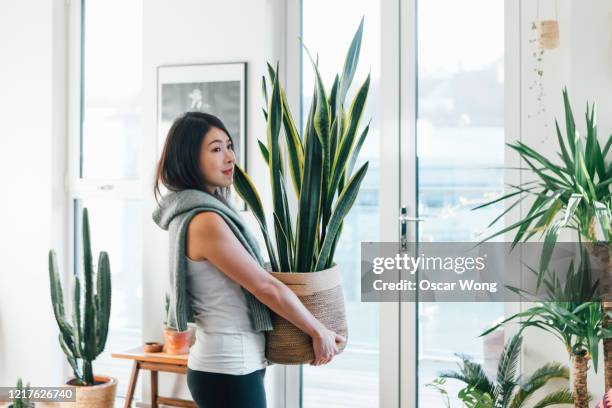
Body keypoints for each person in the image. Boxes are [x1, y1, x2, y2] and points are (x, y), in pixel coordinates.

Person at [153, 111, 345, 408]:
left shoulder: (197, 213)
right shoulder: (205, 220)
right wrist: (317, 331)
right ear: (189, 158)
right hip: (229, 368)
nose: (230, 157)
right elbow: (264, 287)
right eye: (216, 149)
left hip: (229, 366)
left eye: (229, 146)